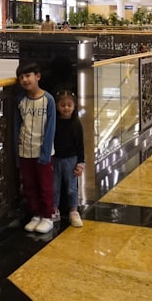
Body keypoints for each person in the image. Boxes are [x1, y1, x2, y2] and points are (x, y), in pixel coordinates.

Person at [14, 61, 56, 235]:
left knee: (45, 185)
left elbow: (51, 128)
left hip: (42, 151)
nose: (25, 80)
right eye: (21, 77)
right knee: (29, 184)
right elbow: (17, 125)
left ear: (37, 76)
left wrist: (46, 153)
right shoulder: (21, 100)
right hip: (25, 150)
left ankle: (48, 216)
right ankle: (36, 214)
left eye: (28, 76)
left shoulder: (48, 100)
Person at [52, 90, 85, 228]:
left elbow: (80, 145)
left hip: (71, 160)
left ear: (74, 106)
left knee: (72, 187)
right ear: (57, 106)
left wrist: (81, 163)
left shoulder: (76, 124)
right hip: (55, 159)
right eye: (62, 105)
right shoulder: (54, 122)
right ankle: (54, 209)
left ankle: (73, 210)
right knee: (54, 187)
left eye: (69, 105)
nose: (66, 108)